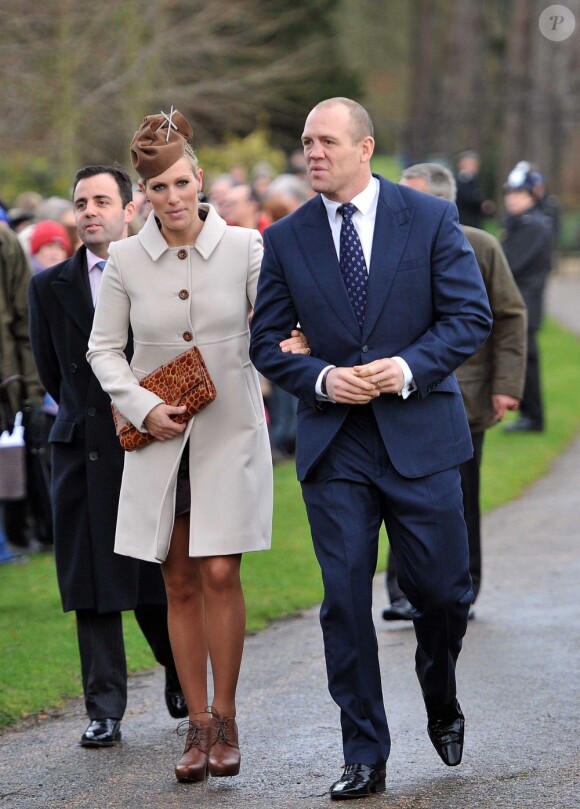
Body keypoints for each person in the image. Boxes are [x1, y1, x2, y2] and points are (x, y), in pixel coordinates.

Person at [250, 97, 492, 800]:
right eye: (306, 142)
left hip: (420, 434)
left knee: (445, 593)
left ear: (365, 148)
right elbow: (265, 343)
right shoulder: (287, 238)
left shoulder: (431, 218)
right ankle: (364, 750)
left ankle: (439, 687)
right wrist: (322, 377)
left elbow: (468, 314)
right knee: (344, 599)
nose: (313, 153)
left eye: (326, 141)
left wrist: (407, 367)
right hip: (337, 447)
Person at [86, 109, 303, 783]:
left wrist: (297, 344)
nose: (174, 198)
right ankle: (197, 725)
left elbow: (270, 329)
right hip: (161, 438)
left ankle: (227, 715)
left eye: (183, 183)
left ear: (200, 179)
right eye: (159, 188)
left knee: (219, 573)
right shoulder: (123, 259)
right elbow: (102, 350)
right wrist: (145, 409)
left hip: (230, 430)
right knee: (177, 581)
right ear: (143, 196)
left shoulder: (245, 247)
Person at [28, 164, 185, 749]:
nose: (89, 210)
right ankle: (105, 708)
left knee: (152, 575)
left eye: (101, 200)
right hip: (79, 449)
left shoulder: (161, 274)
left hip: (146, 442)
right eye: (80, 202)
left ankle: (179, 668)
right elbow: (52, 369)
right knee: (90, 582)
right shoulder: (49, 286)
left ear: (130, 208)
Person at [381, 163, 527, 621]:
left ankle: (464, 589)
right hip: (398, 395)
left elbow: (509, 316)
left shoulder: (480, 246)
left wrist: (505, 387)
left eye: (410, 197)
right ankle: (403, 594)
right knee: (398, 495)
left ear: (440, 202)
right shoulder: (386, 246)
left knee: (460, 498)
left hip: (465, 400)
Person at [0, 224, 48, 553]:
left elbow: (23, 320)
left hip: (5, 389)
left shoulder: (3, 240)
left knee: (12, 482)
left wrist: (32, 393)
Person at [501, 164, 553, 433]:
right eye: (510, 192)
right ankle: (531, 416)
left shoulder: (533, 225)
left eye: (519, 192)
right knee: (525, 361)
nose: (511, 197)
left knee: (527, 363)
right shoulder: (521, 223)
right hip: (522, 304)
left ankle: (533, 418)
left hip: (525, 305)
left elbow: (510, 264)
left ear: (533, 195)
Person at [454, 150, 494, 228]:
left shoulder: (473, 181)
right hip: (464, 223)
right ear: (461, 164)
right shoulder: (460, 182)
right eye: (471, 164)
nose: (475, 167)